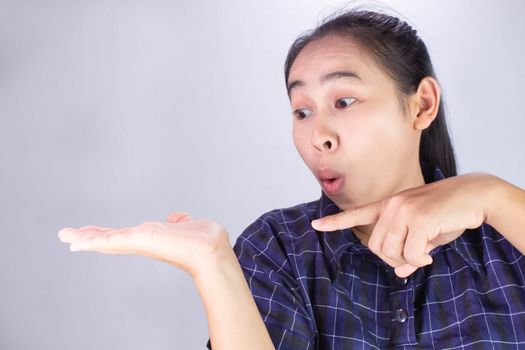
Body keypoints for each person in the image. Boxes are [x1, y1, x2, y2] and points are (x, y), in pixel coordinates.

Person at [58, 7, 525, 350]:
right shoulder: (277, 249)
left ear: (421, 104)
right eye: (302, 111)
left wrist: (489, 194)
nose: (317, 134)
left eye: (344, 101)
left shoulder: (505, 234)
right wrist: (214, 265)